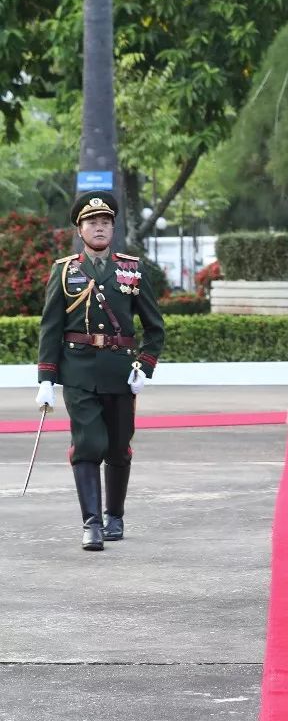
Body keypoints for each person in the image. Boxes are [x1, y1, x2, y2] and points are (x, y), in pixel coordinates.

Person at [36, 191, 165, 551]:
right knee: (89, 443)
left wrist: (144, 366)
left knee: (119, 447)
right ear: (80, 229)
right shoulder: (64, 271)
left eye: (106, 222)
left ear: (113, 229)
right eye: (92, 223)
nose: (99, 228)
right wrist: (46, 377)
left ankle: (115, 516)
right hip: (77, 371)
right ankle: (91, 523)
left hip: (120, 372)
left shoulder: (131, 269)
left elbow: (155, 328)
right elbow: (51, 327)